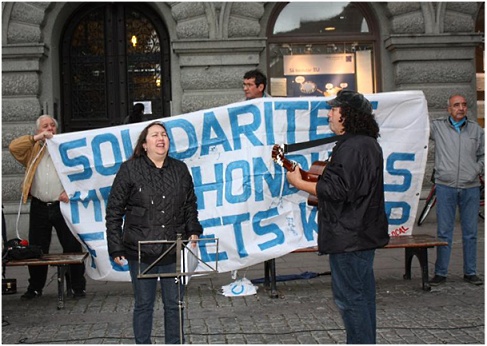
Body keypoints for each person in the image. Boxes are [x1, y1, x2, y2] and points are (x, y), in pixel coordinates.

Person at [286, 90, 389, 344]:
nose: (329, 114)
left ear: (347, 114)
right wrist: (308, 178)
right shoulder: (364, 143)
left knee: (351, 300)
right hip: (359, 234)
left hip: (349, 236)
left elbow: (338, 190)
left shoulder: (353, 147)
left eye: (334, 109)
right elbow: (347, 185)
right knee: (362, 297)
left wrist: (299, 184)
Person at [105, 121, 203, 344]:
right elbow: (114, 211)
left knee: (174, 305)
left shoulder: (180, 169)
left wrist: (193, 230)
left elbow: (190, 204)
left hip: (173, 249)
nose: (161, 139)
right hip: (140, 251)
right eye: (155, 135)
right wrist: (115, 246)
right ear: (144, 144)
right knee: (143, 304)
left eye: (164, 135)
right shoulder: (129, 170)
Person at [9, 115, 86, 299]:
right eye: (45, 126)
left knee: (71, 245)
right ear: (38, 130)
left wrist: (71, 191)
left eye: (52, 125)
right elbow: (13, 147)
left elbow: (81, 172)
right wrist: (37, 138)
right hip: (39, 205)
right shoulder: (33, 149)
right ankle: (35, 287)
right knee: (37, 248)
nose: (50, 128)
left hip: (62, 205)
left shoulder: (64, 147)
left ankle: (77, 286)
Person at [429, 94, 484, 286]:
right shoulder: (437, 127)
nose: (461, 108)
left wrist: (476, 169)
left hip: (470, 187)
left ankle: (470, 272)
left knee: (471, 232)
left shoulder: (476, 130)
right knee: (444, 232)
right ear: (449, 109)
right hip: (446, 186)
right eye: (456, 105)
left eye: (463, 105)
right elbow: (416, 127)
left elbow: (484, 154)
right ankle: (441, 273)